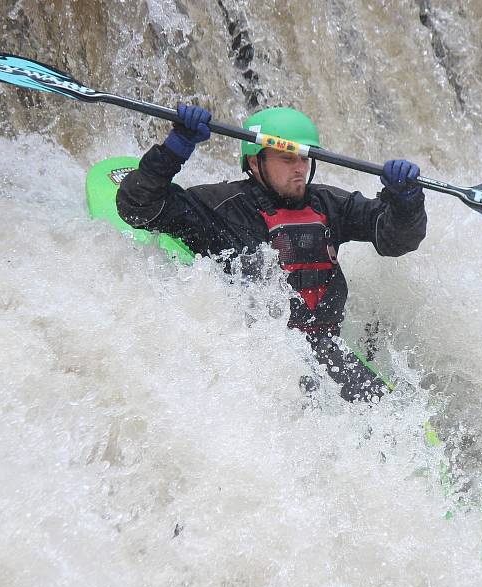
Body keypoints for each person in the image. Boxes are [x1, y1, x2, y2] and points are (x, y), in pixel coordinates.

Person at [117, 104, 427, 403]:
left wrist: (405, 204)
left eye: (304, 159)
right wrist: (174, 148)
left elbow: (395, 240)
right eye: (287, 159)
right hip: (262, 357)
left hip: (327, 348)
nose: (299, 169)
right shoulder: (221, 207)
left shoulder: (330, 205)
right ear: (255, 162)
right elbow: (138, 209)